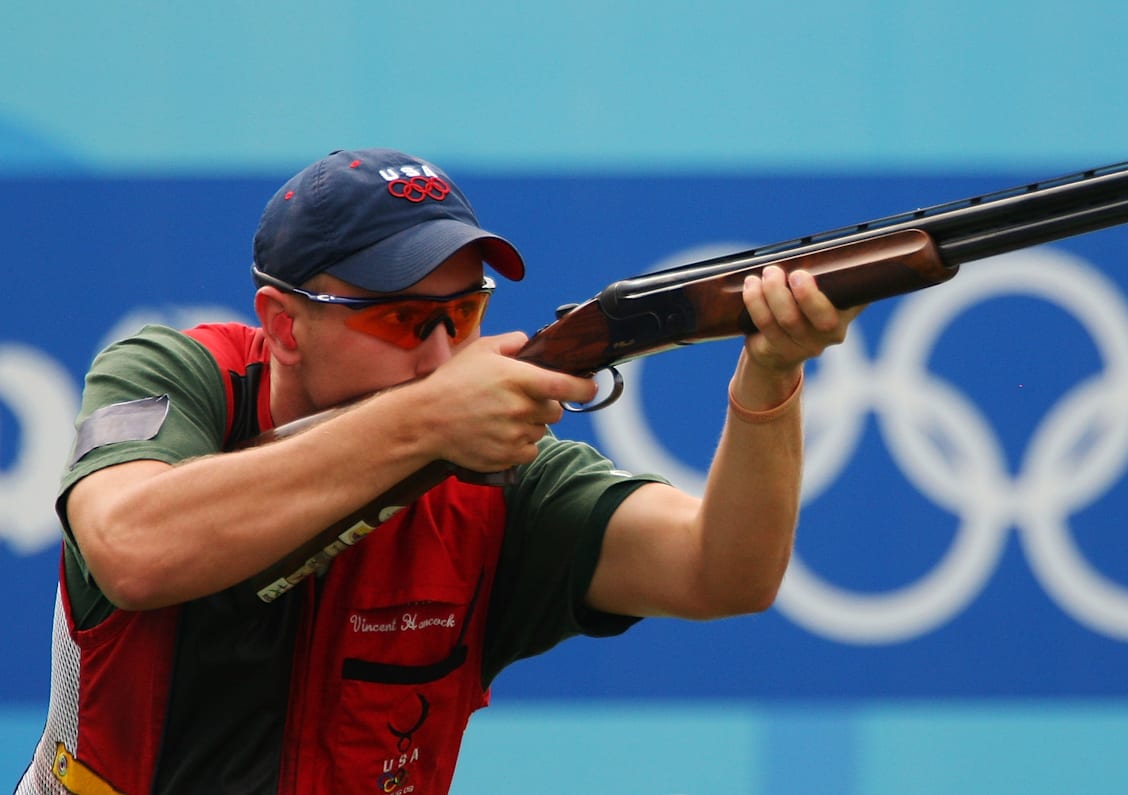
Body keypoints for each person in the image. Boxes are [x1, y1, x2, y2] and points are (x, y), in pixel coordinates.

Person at [16, 148, 860, 794]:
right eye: (402, 318)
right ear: (282, 325)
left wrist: (772, 377)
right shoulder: (178, 376)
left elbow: (725, 572)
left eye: (463, 313)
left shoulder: (490, 479)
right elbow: (132, 547)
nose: (442, 352)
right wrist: (426, 422)